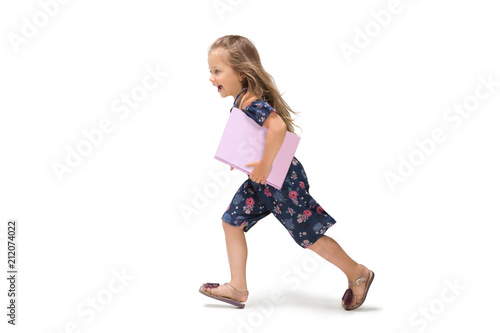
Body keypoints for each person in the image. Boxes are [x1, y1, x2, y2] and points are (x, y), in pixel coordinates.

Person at [200, 35, 374, 310]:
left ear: (241, 74)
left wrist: (265, 164)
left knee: (309, 237)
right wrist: (242, 158)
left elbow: (278, 127)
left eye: (217, 71)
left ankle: (358, 274)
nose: (211, 78)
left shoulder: (251, 101)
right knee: (231, 221)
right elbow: (256, 135)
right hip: (261, 182)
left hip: (281, 181)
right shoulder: (242, 99)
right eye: (210, 71)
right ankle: (237, 287)